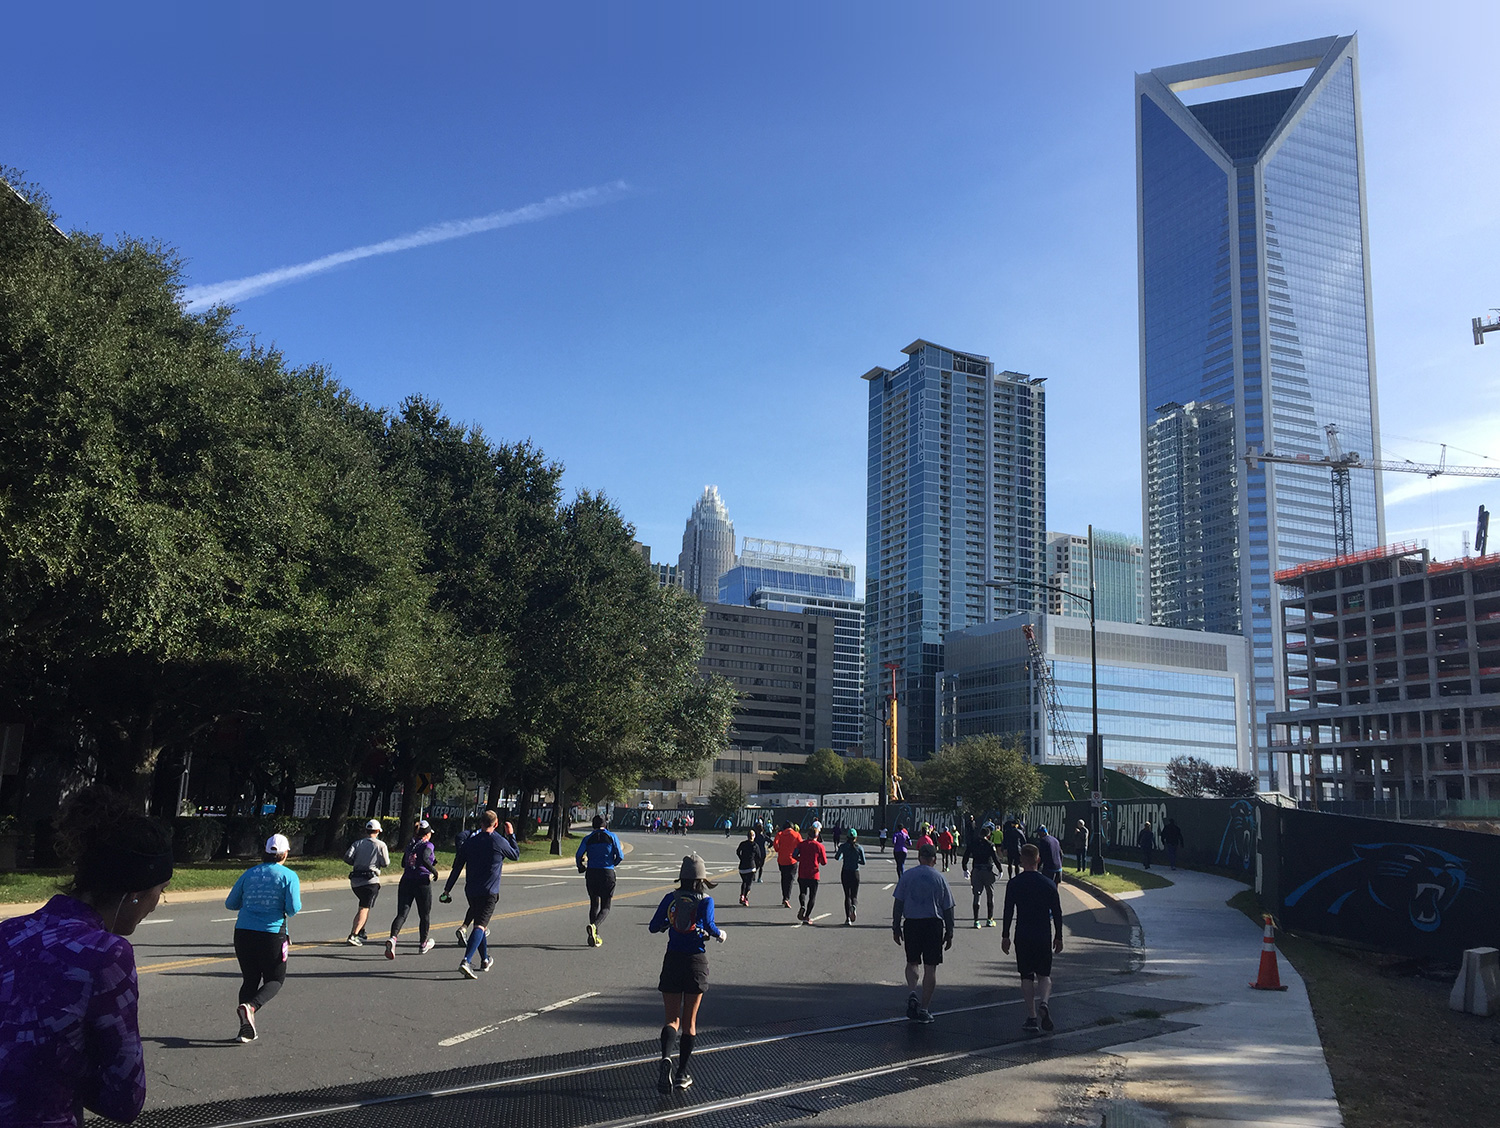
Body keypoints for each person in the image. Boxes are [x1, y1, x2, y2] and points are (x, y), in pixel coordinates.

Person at [0, 788, 173, 1127]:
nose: (158, 904)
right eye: (160, 891)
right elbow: (125, 1099)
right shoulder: (106, 955)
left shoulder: (10, 931)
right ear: (135, 895)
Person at [648, 855, 727, 1093]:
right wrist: (720, 934)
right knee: (689, 1023)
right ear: (701, 878)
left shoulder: (670, 898)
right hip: (695, 962)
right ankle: (682, 1074)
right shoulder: (706, 900)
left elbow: (653, 926)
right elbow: (710, 926)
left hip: (672, 959)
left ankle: (665, 1057)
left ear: (681, 877)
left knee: (671, 1019)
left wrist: (667, 924)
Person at [226, 833, 303, 1041]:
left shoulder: (249, 874)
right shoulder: (289, 876)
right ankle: (251, 1007)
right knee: (275, 979)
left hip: (243, 932)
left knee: (250, 979)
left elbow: (230, 903)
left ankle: (245, 1028)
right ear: (285, 853)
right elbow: (293, 908)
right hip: (272, 934)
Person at [440, 809, 519, 979]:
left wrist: (447, 889)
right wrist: (511, 835)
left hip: (471, 891)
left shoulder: (470, 843)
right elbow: (515, 855)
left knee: (479, 923)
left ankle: (484, 959)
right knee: (480, 926)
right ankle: (466, 961)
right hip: (489, 892)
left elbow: (457, 867)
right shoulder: (499, 841)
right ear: (496, 824)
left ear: (480, 824)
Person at [1002, 843, 1065, 1034]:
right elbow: (1057, 912)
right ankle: (1044, 1002)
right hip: (1043, 934)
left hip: (1023, 933)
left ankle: (1031, 1017)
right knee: (1044, 975)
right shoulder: (1048, 884)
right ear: (1038, 860)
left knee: (1026, 976)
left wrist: (1005, 935)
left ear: (1022, 861)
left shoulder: (1014, 884)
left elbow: (1008, 911)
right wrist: (1059, 936)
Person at [891, 842, 955, 1024]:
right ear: (934, 859)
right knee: (930, 966)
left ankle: (912, 991)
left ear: (919, 858)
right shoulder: (940, 878)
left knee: (912, 962)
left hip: (912, 923)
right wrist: (950, 931)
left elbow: (898, 903)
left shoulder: (908, 876)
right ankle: (925, 1008)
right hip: (933, 924)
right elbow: (948, 907)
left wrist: (896, 926)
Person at [384, 820, 439, 959]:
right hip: (421, 881)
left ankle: (393, 938)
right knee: (424, 915)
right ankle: (422, 944)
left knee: (402, 913)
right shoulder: (428, 845)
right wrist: (434, 871)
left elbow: (403, 863)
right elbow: (425, 858)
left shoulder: (411, 844)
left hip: (406, 880)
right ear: (427, 834)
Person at [575, 814, 624, 947]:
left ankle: (595, 935)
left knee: (594, 904)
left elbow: (579, 854)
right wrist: (612, 863)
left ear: (593, 825)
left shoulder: (588, 838)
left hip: (591, 873)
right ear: (605, 824)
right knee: (606, 906)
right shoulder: (611, 836)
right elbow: (620, 855)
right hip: (607, 872)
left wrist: (581, 866)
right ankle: (594, 926)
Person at [343, 819, 390, 946]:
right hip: (371, 881)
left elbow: (347, 857)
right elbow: (386, 863)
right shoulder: (380, 845)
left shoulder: (357, 843)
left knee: (362, 906)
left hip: (356, 881)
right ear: (377, 831)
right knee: (365, 908)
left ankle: (361, 932)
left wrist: (357, 863)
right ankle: (354, 934)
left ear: (366, 830)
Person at [961, 820, 1000, 927]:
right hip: (987, 870)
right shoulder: (990, 844)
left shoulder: (973, 843)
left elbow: (966, 856)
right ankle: (989, 919)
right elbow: (995, 858)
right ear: (988, 835)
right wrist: (1000, 869)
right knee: (990, 895)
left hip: (977, 870)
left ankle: (976, 921)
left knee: (976, 895)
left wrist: (965, 868)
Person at [792, 825, 828, 923]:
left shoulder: (801, 844)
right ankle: (807, 916)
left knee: (802, 892)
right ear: (817, 835)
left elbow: (794, 855)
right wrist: (817, 860)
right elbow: (824, 862)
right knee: (812, 896)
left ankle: (802, 905)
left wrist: (801, 859)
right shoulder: (820, 846)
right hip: (814, 874)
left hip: (802, 873)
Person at [834, 828, 866, 925]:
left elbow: (837, 857)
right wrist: (856, 860)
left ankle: (847, 918)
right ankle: (854, 907)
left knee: (847, 895)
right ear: (855, 838)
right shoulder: (859, 848)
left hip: (845, 872)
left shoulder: (843, 847)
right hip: (855, 873)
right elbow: (863, 862)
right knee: (854, 895)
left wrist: (843, 856)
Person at [772, 821, 802, 908]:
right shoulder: (796, 835)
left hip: (782, 860)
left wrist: (779, 850)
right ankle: (786, 898)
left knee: (784, 878)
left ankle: (784, 897)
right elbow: (801, 845)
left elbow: (776, 845)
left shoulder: (780, 834)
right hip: (792, 860)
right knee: (790, 879)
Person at [735, 828, 758, 906]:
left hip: (742, 867)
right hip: (751, 867)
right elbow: (759, 856)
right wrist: (756, 865)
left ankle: (742, 895)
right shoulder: (755, 845)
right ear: (754, 836)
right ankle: (745, 898)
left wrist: (741, 858)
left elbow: (738, 851)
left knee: (744, 882)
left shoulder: (743, 844)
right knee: (748, 884)